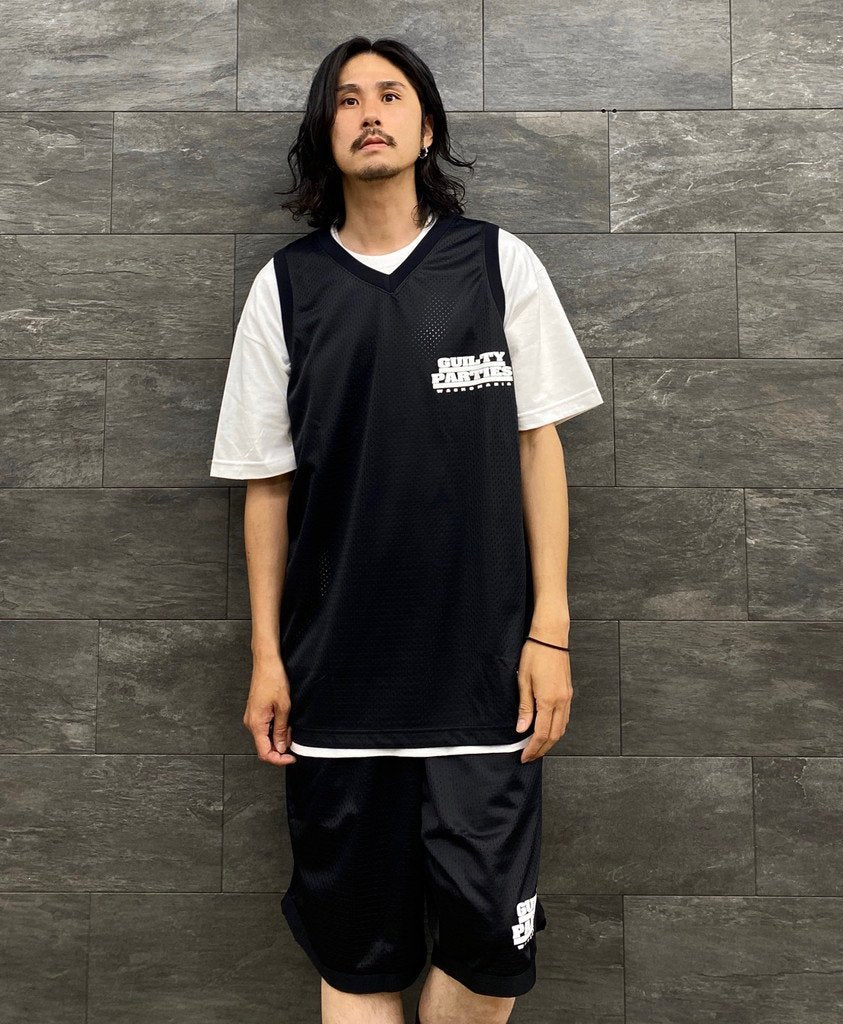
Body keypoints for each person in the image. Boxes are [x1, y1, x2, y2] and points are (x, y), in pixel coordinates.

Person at [209, 35, 603, 1024]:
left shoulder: (497, 265)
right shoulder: (286, 288)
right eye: (346, 99)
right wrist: (267, 658)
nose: (369, 113)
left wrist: (551, 632)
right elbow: (266, 488)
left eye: (390, 95)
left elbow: (539, 449)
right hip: (336, 692)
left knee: (488, 963)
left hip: (485, 689)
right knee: (357, 967)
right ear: (325, 132)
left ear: (427, 129)